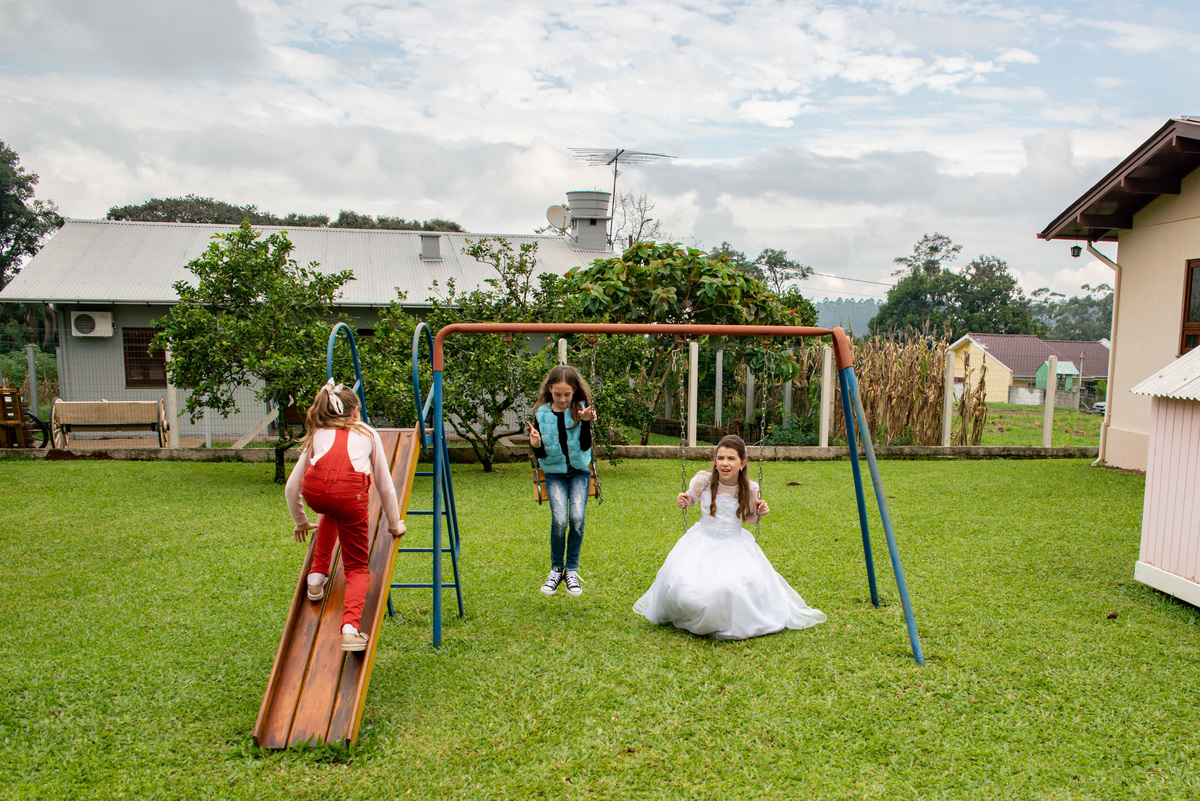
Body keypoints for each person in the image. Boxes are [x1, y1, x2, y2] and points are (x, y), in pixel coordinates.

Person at [633, 434, 826, 640]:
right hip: (702, 541)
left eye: (731, 458)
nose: (725, 463)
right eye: (720, 458)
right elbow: (691, 499)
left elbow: (750, 519)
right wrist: (685, 500)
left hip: (734, 545)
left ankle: (720, 619)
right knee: (684, 586)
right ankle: (691, 612)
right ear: (715, 461)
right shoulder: (703, 480)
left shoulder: (750, 488)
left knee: (730, 588)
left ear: (742, 463)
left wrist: (760, 511)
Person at [285, 380, 405, 652]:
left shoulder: (317, 433)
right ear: (354, 412)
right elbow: (385, 485)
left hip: (316, 493)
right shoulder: (368, 433)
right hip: (351, 496)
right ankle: (350, 628)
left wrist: (301, 521)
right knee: (356, 568)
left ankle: (315, 579)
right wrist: (395, 524)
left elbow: (292, 486)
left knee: (329, 509)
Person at [526, 365, 597, 598]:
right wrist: (536, 445)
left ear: (575, 391)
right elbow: (542, 453)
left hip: (579, 472)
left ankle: (572, 571)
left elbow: (586, 446)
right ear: (549, 389)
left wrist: (585, 421)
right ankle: (557, 569)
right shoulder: (541, 413)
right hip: (554, 473)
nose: (563, 399)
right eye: (558, 394)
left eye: (567, 394)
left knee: (576, 517)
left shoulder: (580, 409)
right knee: (559, 520)